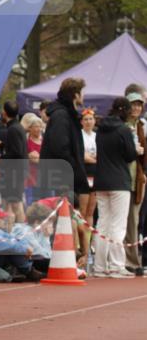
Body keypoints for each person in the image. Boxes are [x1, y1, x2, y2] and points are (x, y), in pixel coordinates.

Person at [92, 96, 137, 278]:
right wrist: (137, 150)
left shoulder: (100, 129)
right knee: (118, 225)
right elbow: (130, 155)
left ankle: (100, 266)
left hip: (101, 180)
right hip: (119, 181)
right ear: (125, 110)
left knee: (103, 223)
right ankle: (117, 265)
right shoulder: (124, 130)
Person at [39, 77, 89, 208]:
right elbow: (60, 147)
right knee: (62, 219)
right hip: (60, 177)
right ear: (76, 95)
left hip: (63, 176)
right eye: (82, 92)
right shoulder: (61, 115)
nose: (83, 96)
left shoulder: (67, 114)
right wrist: (74, 167)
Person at [123, 90, 146, 275]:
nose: (137, 108)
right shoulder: (123, 126)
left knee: (134, 221)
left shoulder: (141, 126)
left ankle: (132, 259)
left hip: (138, 179)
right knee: (124, 221)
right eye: (133, 104)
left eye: (139, 104)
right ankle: (128, 260)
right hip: (123, 177)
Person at [0, 100, 27, 221]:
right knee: (8, 203)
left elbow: (16, 152)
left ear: (4, 113)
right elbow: (16, 148)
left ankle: (22, 233)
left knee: (15, 204)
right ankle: (10, 233)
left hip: (15, 172)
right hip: (16, 172)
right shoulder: (17, 127)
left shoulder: (13, 129)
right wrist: (2, 144)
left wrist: (0, 158)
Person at [78, 108, 98, 269]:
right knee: (82, 212)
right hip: (84, 173)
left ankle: (89, 245)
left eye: (91, 119)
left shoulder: (97, 136)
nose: (88, 122)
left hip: (95, 175)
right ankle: (82, 247)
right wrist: (92, 159)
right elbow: (81, 155)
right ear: (82, 122)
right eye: (86, 119)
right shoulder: (80, 136)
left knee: (91, 212)